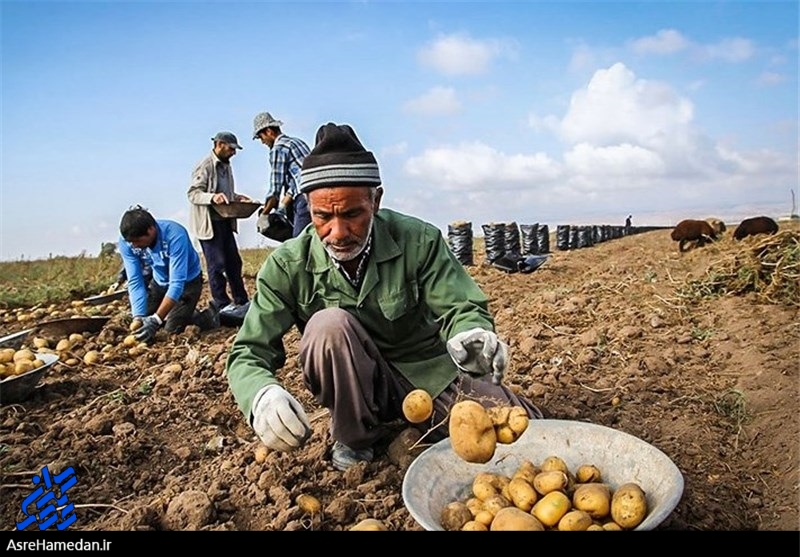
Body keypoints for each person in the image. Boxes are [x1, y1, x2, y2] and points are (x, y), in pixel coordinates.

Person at [226, 123, 543, 472]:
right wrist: (261, 395)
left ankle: (418, 426)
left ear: (375, 201)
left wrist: (470, 333)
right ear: (308, 207)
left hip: (425, 373)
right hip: (352, 386)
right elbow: (249, 351)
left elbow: (461, 306)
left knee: (523, 436)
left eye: (352, 214)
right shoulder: (287, 266)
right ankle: (356, 437)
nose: (338, 232)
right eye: (323, 216)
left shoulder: (418, 239)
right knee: (328, 325)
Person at [118, 206, 219, 343]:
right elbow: (135, 280)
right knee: (142, 322)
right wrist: (138, 317)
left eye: (137, 241)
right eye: (131, 242)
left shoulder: (175, 235)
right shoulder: (127, 242)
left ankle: (206, 317)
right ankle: (182, 311)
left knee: (171, 330)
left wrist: (156, 319)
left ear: (151, 230)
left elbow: (177, 284)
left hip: (187, 283)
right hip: (160, 282)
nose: (134, 246)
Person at [187, 131, 251, 320]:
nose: (233, 153)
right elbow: (193, 194)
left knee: (234, 262)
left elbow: (224, 194)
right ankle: (222, 305)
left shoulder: (226, 166)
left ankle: (241, 301)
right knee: (217, 265)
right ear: (220, 144)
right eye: (231, 149)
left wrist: (236, 197)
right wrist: (212, 197)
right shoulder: (205, 166)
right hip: (209, 224)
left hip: (224, 221)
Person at [252, 112, 312, 237]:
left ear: (269, 131)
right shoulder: (297, 142)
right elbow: (298, 179)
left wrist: (264, 214)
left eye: (261, 137)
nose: (262, 141)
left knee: (299, 243)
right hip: (317, 194)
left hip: (304, 199)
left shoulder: (278, 148)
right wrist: (283, 206)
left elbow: (275, 188)